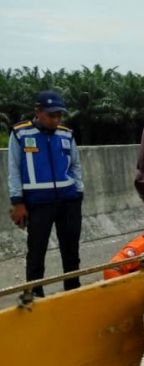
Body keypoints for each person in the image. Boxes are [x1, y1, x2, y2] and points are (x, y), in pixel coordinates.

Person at [7, 90, 84, 297]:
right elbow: (14, 169)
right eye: (51, 115)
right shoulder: (20, 133)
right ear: (38, 111)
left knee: (71, 252)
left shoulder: (66, 133)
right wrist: (18, 201)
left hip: (68, 201)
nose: (56, 119)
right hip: (38, 203)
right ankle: (34, 295)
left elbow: (75, 165)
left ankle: (73, 292)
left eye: (59, 115)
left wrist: (78, 191)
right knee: (36, 252)